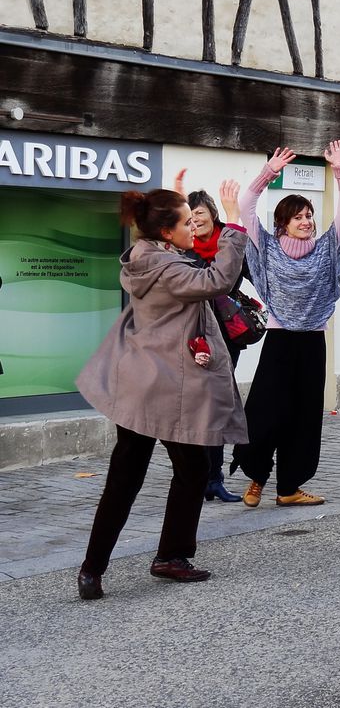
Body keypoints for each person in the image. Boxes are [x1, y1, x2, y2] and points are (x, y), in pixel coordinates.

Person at [75, 186, 249, 600]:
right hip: (165, 389)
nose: (194, 227)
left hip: (139, 385)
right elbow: (218, 279)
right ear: (167, 234)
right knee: (182, 471)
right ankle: (168, 557)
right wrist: (233, 224)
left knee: (132, 476)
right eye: (187, 222)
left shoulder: (147, 258)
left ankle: (93, 570)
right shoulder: (167, 269)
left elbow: (201, 268)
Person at [230, 141, 340, 507]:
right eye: (298, 217)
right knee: (266, 413)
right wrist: (269, 171)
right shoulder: (265, 247)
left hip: (313, 341)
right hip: (281, 341)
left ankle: (289, 489)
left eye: (309, 215)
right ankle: (256, 477)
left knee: (303, 418)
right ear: (283, 222)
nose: (307, 222)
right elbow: (246, 206)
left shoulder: (328, 247)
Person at [179, 176, 248, 503]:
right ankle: (197, 475)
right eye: (189, 216)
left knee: (217, 405)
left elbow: (250, 274)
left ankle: (214, 478)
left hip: (226, 337)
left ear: (212, 214)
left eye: (200, 214)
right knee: (197, 408)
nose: (196, 221)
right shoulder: (185, 251)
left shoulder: (228, 243)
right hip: (194, 338)